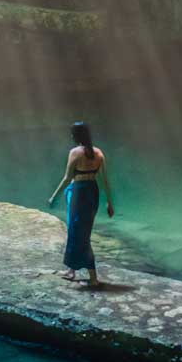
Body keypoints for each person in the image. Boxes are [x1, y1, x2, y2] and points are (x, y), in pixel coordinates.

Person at [48, 121, 114, 287]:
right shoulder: (99, 153)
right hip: (92, 192)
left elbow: (67, 177)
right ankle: (72, 270)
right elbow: (104, 180)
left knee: (79, 234)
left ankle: (92, 276)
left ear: (75, 136)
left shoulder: (75, 153)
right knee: (78, 231)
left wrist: (53, 197)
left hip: (79, 192)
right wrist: (109, 203)